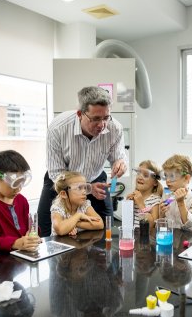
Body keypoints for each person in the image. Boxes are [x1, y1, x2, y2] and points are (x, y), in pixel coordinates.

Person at [37, 86, 128, 236]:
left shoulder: (115, 129)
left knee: (107, 227)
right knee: (45, 230)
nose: (102, 125)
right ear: (80, 114)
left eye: (106, 117)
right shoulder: (58, 128)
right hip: (60, 181)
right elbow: (56, 172)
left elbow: (119, 157)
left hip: (96, 177)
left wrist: (120, 163)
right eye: (96, 119)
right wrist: (87, 188)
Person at [0, 150, 41, 252]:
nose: (19, 189)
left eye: (21, 183)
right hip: (2, 259)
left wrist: (32, 233)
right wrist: (15, 243)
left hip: (24, 256)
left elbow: (30, 226)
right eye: (14, 184)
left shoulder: (21, 200)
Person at [50, 171, 104, 236]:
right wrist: (79, 215)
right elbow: (60, 230)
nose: (84, 192)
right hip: (59, 244)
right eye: (79, 188)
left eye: (85, 188)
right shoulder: (57, 207)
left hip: (78, 243)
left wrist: (75, 223)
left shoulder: (84, 205)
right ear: (64, 194)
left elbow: (100, 224)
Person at [159, 154, 192, 231]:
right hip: (170, 239)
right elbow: (161, 226)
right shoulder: (166, 198)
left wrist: (181, 203)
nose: (167, 180)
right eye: (166, 176)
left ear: (186, 178)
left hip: (189, 241)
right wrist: (161, 214)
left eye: (172, 176)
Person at [126, 160, 163, 230]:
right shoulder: (133, 198)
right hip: (133, 237)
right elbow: (127, 223)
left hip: (146, 239)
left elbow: (152, 227)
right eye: (138, 173)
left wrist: (141, 205)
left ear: (155, 182)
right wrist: (128, 206)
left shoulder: (155, 201)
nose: (140, 177)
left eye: (145, 175)